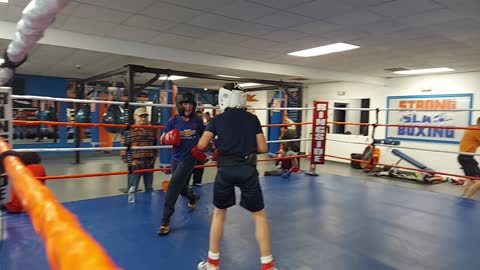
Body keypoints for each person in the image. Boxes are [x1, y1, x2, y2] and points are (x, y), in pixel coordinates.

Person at [196, 83, 277, 270]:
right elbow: (263, 148)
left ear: (224, 97)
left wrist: (218, 144)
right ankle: (267, 265)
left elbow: (201, 145)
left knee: (219, 214)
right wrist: (244, 143)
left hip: (225, 169)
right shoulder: (252, 119)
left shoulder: (218, 119)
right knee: (259, 216)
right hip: (247, 169)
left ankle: (212, 263)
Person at [157, 92, 206, 235]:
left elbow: (205, 136)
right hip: (175, 158)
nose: (188, 107)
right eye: (185, 104)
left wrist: (205, 149)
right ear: (180, 105)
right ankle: (192, 197)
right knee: (180, 186)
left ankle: (165, 220)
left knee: (173, 185)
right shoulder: (173, 120)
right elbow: (162, 137)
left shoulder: (197, 121)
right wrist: (168, 138)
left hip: (190, 157)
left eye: (191, 104)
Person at [120, 107, 158, 192]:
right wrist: (130, 163)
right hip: (136, 164)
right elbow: (123, 149)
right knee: (133, 188)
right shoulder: (129, 131)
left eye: (145, 116)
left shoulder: (151, 130)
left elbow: (154, 146)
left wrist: (153, 160)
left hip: (149, 163)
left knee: (149, 188)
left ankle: (148, 204)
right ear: (135, 117)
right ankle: (130, 204)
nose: (143, 118)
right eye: (141, 116)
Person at [458, 117, 480, 198]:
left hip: (464, 157)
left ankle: (463, 198)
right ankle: (466, 199)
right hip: (466, 158)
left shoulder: (472, 128)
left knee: (471, 179)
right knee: (478, 182)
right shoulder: (477, 130)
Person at [190, 110, 207, 187]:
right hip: (190, 148)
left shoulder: (202, 124)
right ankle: (186, 183)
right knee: (189, 166)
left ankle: (197, 181)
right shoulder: (191, 124)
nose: (199, 118)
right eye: (198, 116)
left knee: (200, 165)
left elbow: (205, 134)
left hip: (199, 148)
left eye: (201, 116)